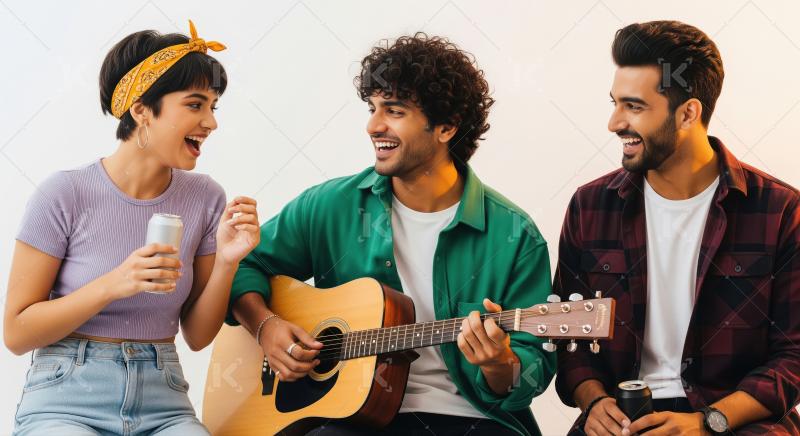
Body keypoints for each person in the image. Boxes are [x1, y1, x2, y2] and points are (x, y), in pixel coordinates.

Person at [227, 33, 555, 435]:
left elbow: (532, 372)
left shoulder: (514, 235)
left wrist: (498, 362)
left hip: (471, 418)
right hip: (349, 415)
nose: (373, 125)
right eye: (373, 107)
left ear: (447, 128)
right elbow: (241, 263)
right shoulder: (332, 206)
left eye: (394, 110)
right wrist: (265, 326)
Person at [4, 20, 260, 435]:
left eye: (213, 107)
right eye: (195, 105)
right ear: (141, 109)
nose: (210, 122)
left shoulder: (206, 197)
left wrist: (229, 262)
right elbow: (16, 333)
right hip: (65, 400)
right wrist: (116, 282)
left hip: (164, 401)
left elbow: (197, 336)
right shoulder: (64, 194)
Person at [554, 20, 800, 435]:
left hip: (735, 417)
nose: (614, 123)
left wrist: (708, 423)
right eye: (614, 103)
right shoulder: (590, 206)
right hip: (623, 414)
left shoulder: (779, 210)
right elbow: (568, 340)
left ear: (688, 113)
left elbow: (793, 355)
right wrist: (593, 401)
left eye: (633, 106)